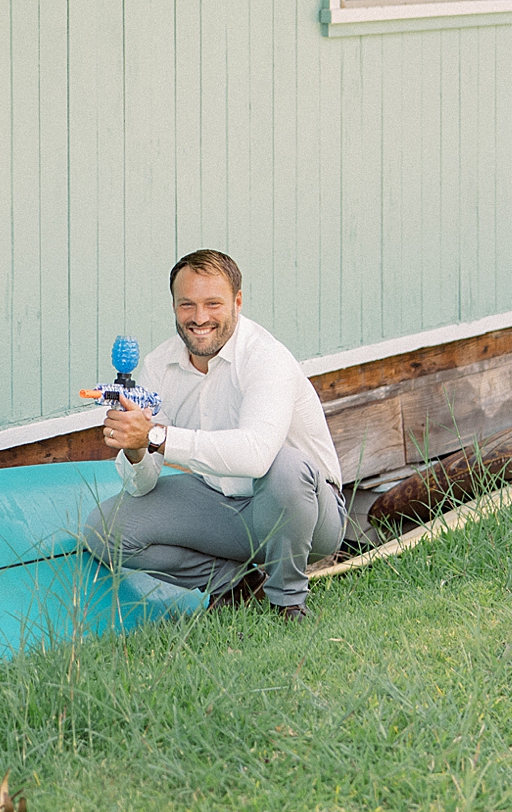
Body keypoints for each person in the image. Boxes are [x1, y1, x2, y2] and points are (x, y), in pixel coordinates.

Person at [81, 250, 346, 617]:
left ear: (237, 302)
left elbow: (256, 455)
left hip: (309, 515)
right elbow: (140, 485)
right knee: (103, 530)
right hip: (223, 504)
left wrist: (156, 437)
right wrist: (136, 448)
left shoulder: (266, 357)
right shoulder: (160, 365)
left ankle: (288, 603)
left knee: (284, 465)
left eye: (213, 303)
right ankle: (233, 584)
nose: (199, 317)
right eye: (186, 304)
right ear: (174, 305)